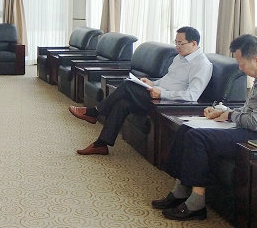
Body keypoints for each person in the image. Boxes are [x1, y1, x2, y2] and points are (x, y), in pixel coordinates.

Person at [153, 34, 257, 221]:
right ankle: (180, 190)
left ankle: (196, 204)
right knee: (187, 129)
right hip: (255, 130)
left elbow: (256, 121)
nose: (240, 68)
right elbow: (248, 111)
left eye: (241, 64)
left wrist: (230, 116)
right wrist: (223, 112)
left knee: (197, 137)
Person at [72, 26, 213, 156]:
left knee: (128, 85)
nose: (177, 47)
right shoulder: (180, 57)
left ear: (193, 43)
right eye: (175, 42)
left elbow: (192, 95)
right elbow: (168, 80)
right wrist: (152, 83)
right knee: (122, 103)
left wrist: (162, 93)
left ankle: (95, 112)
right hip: (157, 94)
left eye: (180, 43)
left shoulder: (202, 64)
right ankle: (101, 145)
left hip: (170, 103)